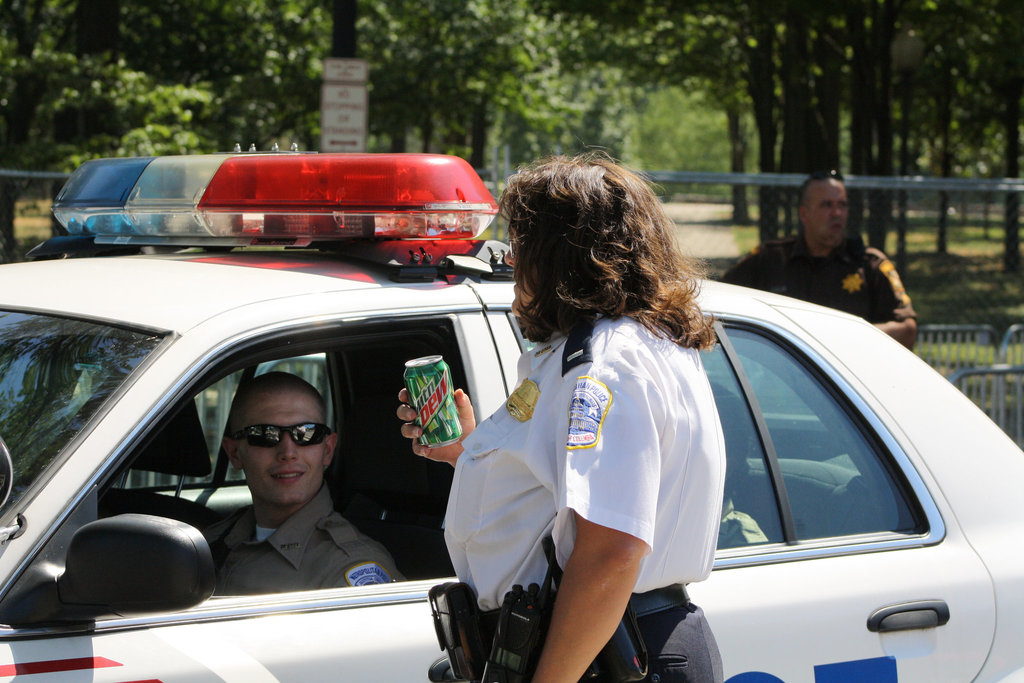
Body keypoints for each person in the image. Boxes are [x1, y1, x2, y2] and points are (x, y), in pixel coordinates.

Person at [398, 154, 726, 682]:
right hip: (602, 645)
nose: (509, 265)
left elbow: (610, 550)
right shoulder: (620, 346)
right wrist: (469, 453)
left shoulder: (604, 365)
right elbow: (561, 493)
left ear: (555, 258)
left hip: (606, 653)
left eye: (518, 248)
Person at [205, 371, 401, 595]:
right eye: (265, 435)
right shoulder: (213, 540)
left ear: (327, 450)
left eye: (307, 433)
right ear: (234, 453)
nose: (288, 453)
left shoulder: (347, 568)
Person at [721, 170, 918, 349]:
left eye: (842, 205)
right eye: (826, 205)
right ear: (804, 213)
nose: (837, 213)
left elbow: (908, 330)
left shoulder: (870, 265)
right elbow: (720, 299)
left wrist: (853, 335)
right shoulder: (771, 259)